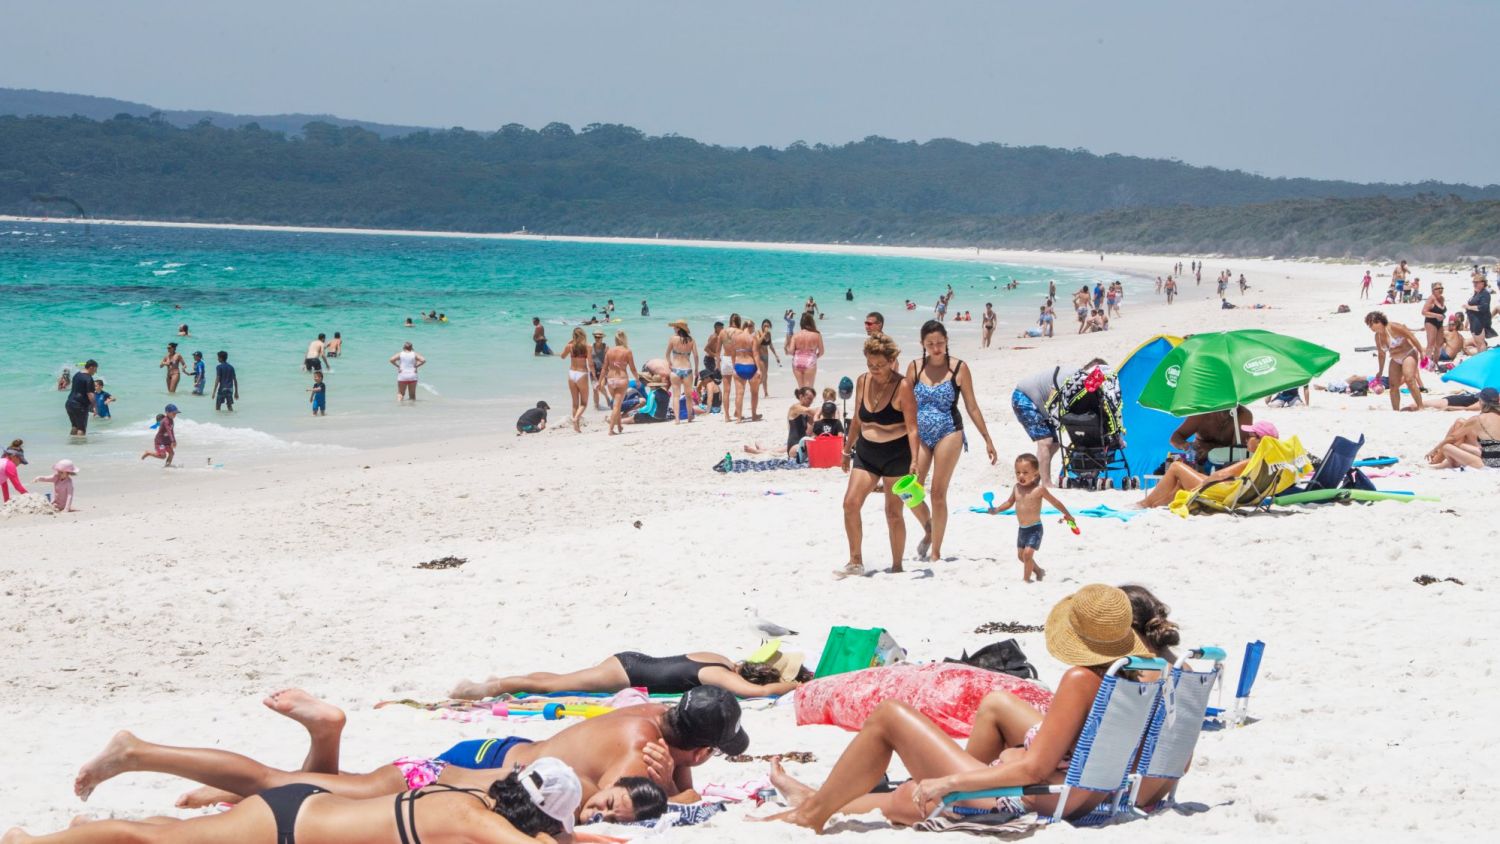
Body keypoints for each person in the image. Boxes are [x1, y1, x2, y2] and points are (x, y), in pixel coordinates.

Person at [763, 584, 1153, 831]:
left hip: (1039, 797)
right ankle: (817, 799)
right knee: (995, 706)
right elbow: (1167, 765)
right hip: (1081, 793)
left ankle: (811, 812)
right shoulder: (1143, 677)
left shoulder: (1081, 681)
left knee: (889, 716)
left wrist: (950, 782)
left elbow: (1035, 769)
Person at [37, 750, 583, 844]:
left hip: (302, 814)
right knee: (148, 841)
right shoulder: (474, 821)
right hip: (284, 827)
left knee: (165, 836)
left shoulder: (472, 802)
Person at [905, 321, 997, 562]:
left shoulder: (959, 368)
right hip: (921, 435)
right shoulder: (914, 368)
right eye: (930, 344)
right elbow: (905, 406)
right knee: (910, 490)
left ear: (946, 341)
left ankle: (936, 551)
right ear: (922, 344)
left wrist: (987, 438)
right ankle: (930, 528)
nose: (936, 348)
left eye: (940, 343)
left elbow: (972, 406)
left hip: (949, 431)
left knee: (937, 493)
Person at [838, 333, 919, 578]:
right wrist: (846, 449)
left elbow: (913, 427)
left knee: (893, 512)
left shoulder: (902, 386)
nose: (875, 370)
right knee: (850, 503)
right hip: (866, 453)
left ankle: (897, 565)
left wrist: (915, 459)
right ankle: (855, 560)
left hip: (896, 454)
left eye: (880, 366)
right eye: (871, 365)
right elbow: (857, 419)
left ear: (892, 361)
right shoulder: (862, 381)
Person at [452, 648, 807, 701]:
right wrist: (797, 684)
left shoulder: (722, 659)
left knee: (560, 678)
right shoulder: (721, 677)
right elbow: (756, 695)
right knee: (555, 685)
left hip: (632, 659)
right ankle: (484, 688)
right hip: (626, 675)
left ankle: (500, 679)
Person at [1139, 421, 1278, 508]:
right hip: (1233, 493)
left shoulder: (1252, 461)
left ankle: (1144, 503)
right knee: (1182, 482)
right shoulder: (1270, 461)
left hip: (1220, 494)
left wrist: (1201, 483)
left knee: (1176, 467)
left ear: (1261, 441)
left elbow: (1221, 474)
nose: (1246, 439)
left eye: (1250, 436)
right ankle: (1155, 505)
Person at [987, 454, 1074, 582]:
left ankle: (1026, 580)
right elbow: (1009, 502)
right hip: (1022, 529)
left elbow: (1055, 502)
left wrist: (1068, 514)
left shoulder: (1039, 490)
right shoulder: (1016, 488)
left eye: (1025, 472)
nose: (1020, 476)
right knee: (1021, 556)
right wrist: (997, 509)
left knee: (1027, 555)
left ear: (1035, 473)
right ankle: (1038, 570)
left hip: (1035, 528)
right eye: (1018, 472)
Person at [1011, 368, 1063, 482]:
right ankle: (1046, 482)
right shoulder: (1071, 376)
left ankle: (1035, 476)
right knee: (1046, 441)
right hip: (1024, 397)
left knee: (1054, 444)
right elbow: (1053, 394)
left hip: (1040, 404)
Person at [1426, 388, 1500, 468]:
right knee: (1460, 425)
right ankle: (1439, 463)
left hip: (1489, 462)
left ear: (1481, 402)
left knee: (1446, 447)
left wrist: (1434, 449)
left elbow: (1453, 437)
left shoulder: (1478, 419)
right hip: (1491, 453)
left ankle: (1437, 463)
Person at [1366, 311, 1425, 411]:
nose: (1370, 327)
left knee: (1409, 379)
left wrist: (1421, 351)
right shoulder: (1378, 337)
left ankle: (1420, 407)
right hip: (1395, 358)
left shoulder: (1394, 327)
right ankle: (1396, 411)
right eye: (1369, 325)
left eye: (1371, 324)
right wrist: (1380, 371)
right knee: (1393, 386)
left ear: (1379, 321)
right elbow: (1381, 354)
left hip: (1408, 354)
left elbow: (1411, 336)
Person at [1169, 406, 1254, 470]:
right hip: (1199, 461)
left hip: (1226, 465)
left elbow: (1238, 451)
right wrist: (1185, 446)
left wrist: (1212, 450)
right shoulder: (1202, 413)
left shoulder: (1243, 415)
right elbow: (1176, 436)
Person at [724, 315, 761, 423]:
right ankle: (754, 415)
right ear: (750, 327)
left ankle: (739, 418)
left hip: (739, 366)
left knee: (739, 394)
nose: (754, 330)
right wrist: (759, 369)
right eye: (753, 328)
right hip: (751, 366)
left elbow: (732, 353)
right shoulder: (752, 338)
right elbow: (756, 354)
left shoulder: (735, 338)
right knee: (754, 393)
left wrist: (734, 367)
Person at [602, 331, 640, 436]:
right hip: (621, 379)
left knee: (616, 404)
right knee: (616, 406)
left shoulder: (609, 351)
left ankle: (619, 426)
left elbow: (604, 368)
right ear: (624, 339)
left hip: (610, 380)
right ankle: (610, 430)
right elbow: (632, 368)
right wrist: (637, 379)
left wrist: (600, 381)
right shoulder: (627, 351)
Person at [663, 321, 698, 425]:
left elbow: (667, 354)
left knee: (676, 396)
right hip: (687, 369)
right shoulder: (691, 340)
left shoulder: (673, 339)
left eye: (675, 327)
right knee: (688, 396)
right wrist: (696, 369)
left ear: (679, 328)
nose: (674, 329)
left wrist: (669, 363)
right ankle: (689, 417)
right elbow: (696, 356)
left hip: (675, 369)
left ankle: (677, 419)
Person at [559, 327, 591, 432]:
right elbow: (590, 363)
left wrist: (569, 343)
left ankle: (576, 427)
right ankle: (576, 418)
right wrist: (594, 375)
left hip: (571, 373)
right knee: (584, 403)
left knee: (575, 403)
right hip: (582, 373)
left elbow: (562, 357)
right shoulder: (587, 347)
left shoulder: (570, 346)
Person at [788, 312, 825, 390]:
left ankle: (801, 402)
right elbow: (821, 352)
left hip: (797, 361)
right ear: (811, 322)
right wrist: (814, 357)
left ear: (801, 323)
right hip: (810, 361)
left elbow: (791, 351)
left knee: (801, 390)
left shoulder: (796, 335)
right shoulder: (817, 335)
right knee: (808, 390)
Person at [66, 360, 99, 436]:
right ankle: (80, 447)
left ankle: (72, 445)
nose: (96, 372)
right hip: (79, 406)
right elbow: (90, 394)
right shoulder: (89, 379)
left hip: (69, 404)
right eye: (95, 369)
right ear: (91, 368)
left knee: (75, 426)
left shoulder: (77, 375)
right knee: (81, 429)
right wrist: (94, 406)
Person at [1421, 283, 1448, 365]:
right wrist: (1436, 315)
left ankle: (1435, 362)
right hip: (1430, 322)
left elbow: (1441, 310)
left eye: (1441, 288)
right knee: (1431, 344)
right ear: (1433, 290)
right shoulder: (1431, 299)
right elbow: (1423, 312)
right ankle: (1425, 364)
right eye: (1437, 288)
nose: (1440, 290)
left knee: (1439, 344)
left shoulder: (1442, 298)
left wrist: (1442, 315)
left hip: (1440, 323)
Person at [1466, 274, 1493, 353]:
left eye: (1476, 282)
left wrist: (1469, 307)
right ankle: (1480, 358)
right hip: (1473, 320)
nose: (1474, 284)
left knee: (1481, 343)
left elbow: (1483, 308)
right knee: (1477, 343)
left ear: (1483, 283)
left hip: (1480, 321)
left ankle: (1482, 359)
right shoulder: (1477, 293)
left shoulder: (1485, 294)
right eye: (1474, 282)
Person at [757, 318, 781, 399]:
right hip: (759, 356)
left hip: (766, 357)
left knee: (765, 376)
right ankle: (755, 388)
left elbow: (770, 346)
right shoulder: (759, 332)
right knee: (763, 375)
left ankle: (766, 393)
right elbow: (757, 343)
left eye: (768, 325)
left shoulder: (769, 334)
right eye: (765, 325)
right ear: (762, 326)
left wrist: (776, 355)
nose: (766, 327)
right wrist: (764, 334)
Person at [589, 329, 610, 410]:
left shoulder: (606, 347)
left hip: (603, 370)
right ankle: (596, 407)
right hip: (593, 370)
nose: (597, 338)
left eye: (599, 337)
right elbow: (589, 360)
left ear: (602, 338)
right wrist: (592, 373)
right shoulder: (590, 347)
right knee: (595, 389)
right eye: (596, 337)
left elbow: (609, 360)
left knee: (600, 386)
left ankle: (607, 397)